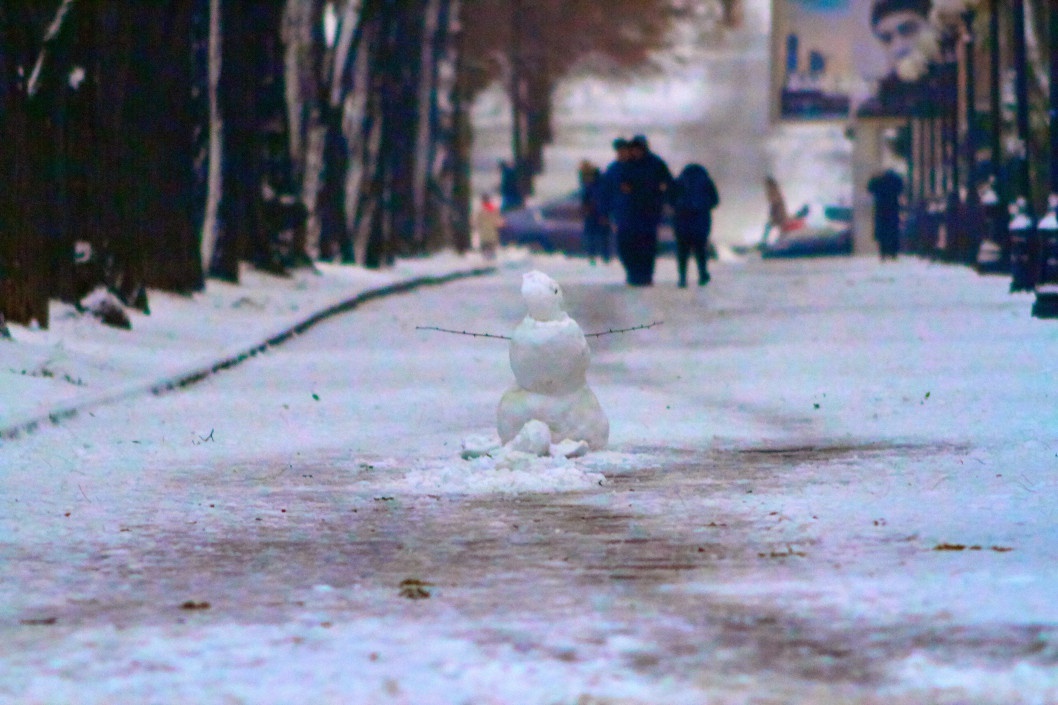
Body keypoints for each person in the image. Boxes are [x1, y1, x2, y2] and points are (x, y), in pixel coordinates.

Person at [603, 134, 674, 286]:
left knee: (646, 245)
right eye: (633, 150)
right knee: (627, 245)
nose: (635, 153)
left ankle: (645, 275)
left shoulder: (655, 163)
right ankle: (633, 273)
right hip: (628, 213)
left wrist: (662, 195)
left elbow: (668, 183)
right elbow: (611, 188)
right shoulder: (625, 166)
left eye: (637, 150)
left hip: (649, 212)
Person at [857, 0, 933, 116]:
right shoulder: (879, 105)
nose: (898, 48)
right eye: (887, 38)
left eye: (908, 30)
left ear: (933, 28)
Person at [673, 163, 720, 287]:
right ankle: (702, 274)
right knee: (700, 250)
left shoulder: (679, 181)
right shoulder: (706, 182)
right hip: (701, 222)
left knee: (683, 251)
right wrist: (703, 207)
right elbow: (715, 201)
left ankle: (682, 278)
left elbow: (670, 199)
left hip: (682, 223)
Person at [578, 161, 610, 264]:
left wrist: (604, 214)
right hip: (592, 214)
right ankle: (594, 258)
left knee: (601, 237)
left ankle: (604, 258)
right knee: (592, 237)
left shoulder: (599, 184)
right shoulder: (588, 183)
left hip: (599, 214)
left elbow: (602, 199)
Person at [868, 168, 904, 259]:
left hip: (881, 208)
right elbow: (901, 188)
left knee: (882, 230)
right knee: (893, 230)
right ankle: (893, 252)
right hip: (893, 207)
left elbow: (870, 188)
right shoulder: (895, 180)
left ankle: (883, 252)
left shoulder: (878, 180)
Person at [474, 193, 504, 260]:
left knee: (486, 252)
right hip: (492, 235)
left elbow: (476, 223)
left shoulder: (480, 211)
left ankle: (487, 262)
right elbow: (499, 222)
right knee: (491, 252)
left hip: (484, 236)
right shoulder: (494, 209)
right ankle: (491, 262)